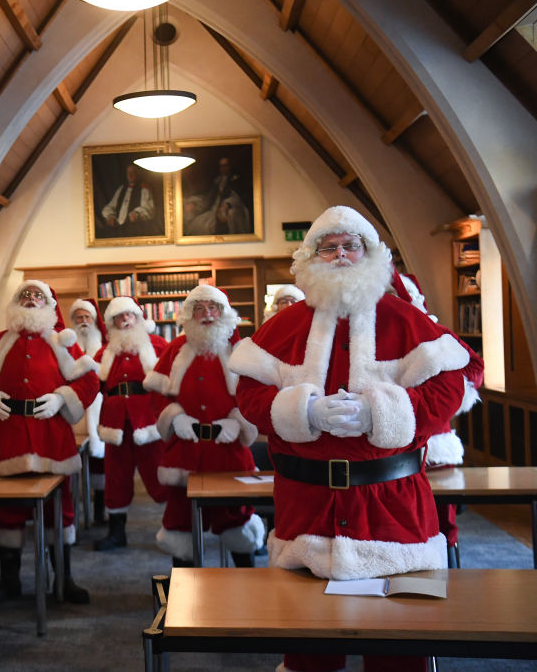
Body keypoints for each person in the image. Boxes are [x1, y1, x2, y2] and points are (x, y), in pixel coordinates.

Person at [229, 206, 473, 672]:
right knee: (308, 643)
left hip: (394, 508)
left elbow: (449, 389)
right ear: (311, 258)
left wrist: (380, 412)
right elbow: (250, 393)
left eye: (351, 245)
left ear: (370, 254)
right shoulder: (282, 327)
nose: (340, 255)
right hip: (306, 505)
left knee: (401, 645)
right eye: (329, 246)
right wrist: (305, 411)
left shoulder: (407, 320)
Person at [0, 280, 99, 604]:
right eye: (25, 296)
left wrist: (61, 398)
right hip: (8, 436)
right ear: (14, 303)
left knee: (58, 510)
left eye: (38, 296)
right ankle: (10, 582)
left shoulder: (62, 343)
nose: (31, 300)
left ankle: (63, 581)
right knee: (7, 511)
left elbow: (90, 381)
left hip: (52, 437)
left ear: (50, 305)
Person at [144, 285, 264, 568]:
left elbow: (256, 393)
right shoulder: (174, 349)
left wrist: (238, 420)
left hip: (228, 452)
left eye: (213, 308)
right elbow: (155, 394)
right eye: (199, 308)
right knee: (181, 521)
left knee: (236, 519)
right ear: (189, 315)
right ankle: (184, 598)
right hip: (185, 451)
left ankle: (250, 591)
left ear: (223, 313)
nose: (207, 314)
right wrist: (174, 416)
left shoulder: (239, 351)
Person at [390, 271, 483, 567]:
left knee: (442, 520)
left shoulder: (434, 332)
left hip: (433, 445)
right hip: (387, 447)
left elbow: (474, 368)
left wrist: (441, 393)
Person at [92, 297, 169, 551]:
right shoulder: (104, 353)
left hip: (148, 420)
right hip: (115, 423)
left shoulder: (158, 345)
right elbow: (92, 384)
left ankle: (174, 526)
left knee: (160, 474)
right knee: (116, 478)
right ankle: (116, 532)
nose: (125, 320)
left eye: (129, 315)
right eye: (119, 316)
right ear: (111, 322)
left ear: (138, 318)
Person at [69, 298, 107, 524]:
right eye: (79, 318)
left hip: (98, 410)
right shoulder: (66, 345)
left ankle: (100, 511)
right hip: (73, 412)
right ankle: (73, 510)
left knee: (99, 463)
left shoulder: (103, 346)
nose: (83, 322)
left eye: (87, 317)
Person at [100, 164, 155, 237]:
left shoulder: (144, 189)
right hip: (118, 229)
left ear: (138, 174)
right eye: (128, 173)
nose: (130, 175)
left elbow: (150, 209)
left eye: (133, 172)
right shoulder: (121, 189)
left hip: (135, 230)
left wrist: (137, 213)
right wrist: (110, 216)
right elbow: (110, 206)